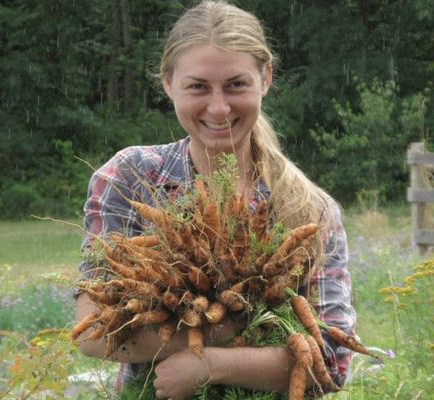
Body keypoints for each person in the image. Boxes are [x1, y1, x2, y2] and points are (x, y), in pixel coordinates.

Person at [74, 1, 356, 399]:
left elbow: (330, 361)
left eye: (236, 84)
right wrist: (232, 328)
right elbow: (91, 331)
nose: (219, 107)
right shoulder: (131, 178)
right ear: (168, 83)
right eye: (198, 87)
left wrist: (212, 365)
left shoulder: (310, 209)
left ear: (266, 77)